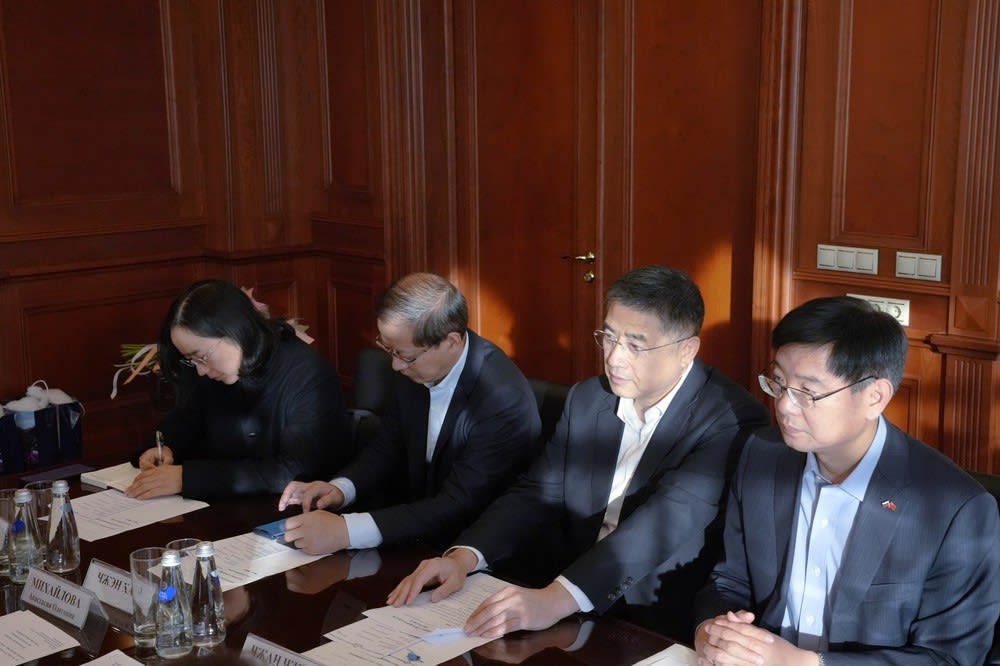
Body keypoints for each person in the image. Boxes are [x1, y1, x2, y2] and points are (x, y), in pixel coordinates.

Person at [388, 265, 771, 642]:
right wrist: (463, 558)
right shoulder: (589, 398)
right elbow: (536, 493)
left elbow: (663, 523)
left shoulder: (729, 419)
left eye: (635, 345)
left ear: (686, 350)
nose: (614, 358)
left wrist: (555, 600)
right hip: (565, 596)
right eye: (609, 337)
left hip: (655, 617)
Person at [694, 296, 1000, 665]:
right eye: (779, 383)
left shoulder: (955, 510)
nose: (785, 405)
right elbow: (729, 581)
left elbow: (949, 659)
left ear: (874, 397)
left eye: (807, 392)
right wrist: (710, 630)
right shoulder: (763, 455)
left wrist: (808, 664)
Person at [277, 272, 542, 555]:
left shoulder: (502, 400)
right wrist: (342, 488)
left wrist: (347, 531)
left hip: (473, 549)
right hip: (414, 533)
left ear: (451, 342)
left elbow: (459, 503)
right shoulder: (415, 364)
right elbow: (387, 445)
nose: (395, 366)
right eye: (388, 349)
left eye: (405, 355)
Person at [125, 279, 351, 499]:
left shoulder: (306, 373)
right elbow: (185, 423)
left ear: (236, 331)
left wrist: (188, 478)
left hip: (297, 509)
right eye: (191, 360)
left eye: (202, 356)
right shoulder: (214, 373)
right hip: (227, 507)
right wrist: (165, 449)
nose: (201, 370)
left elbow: (295, 469)